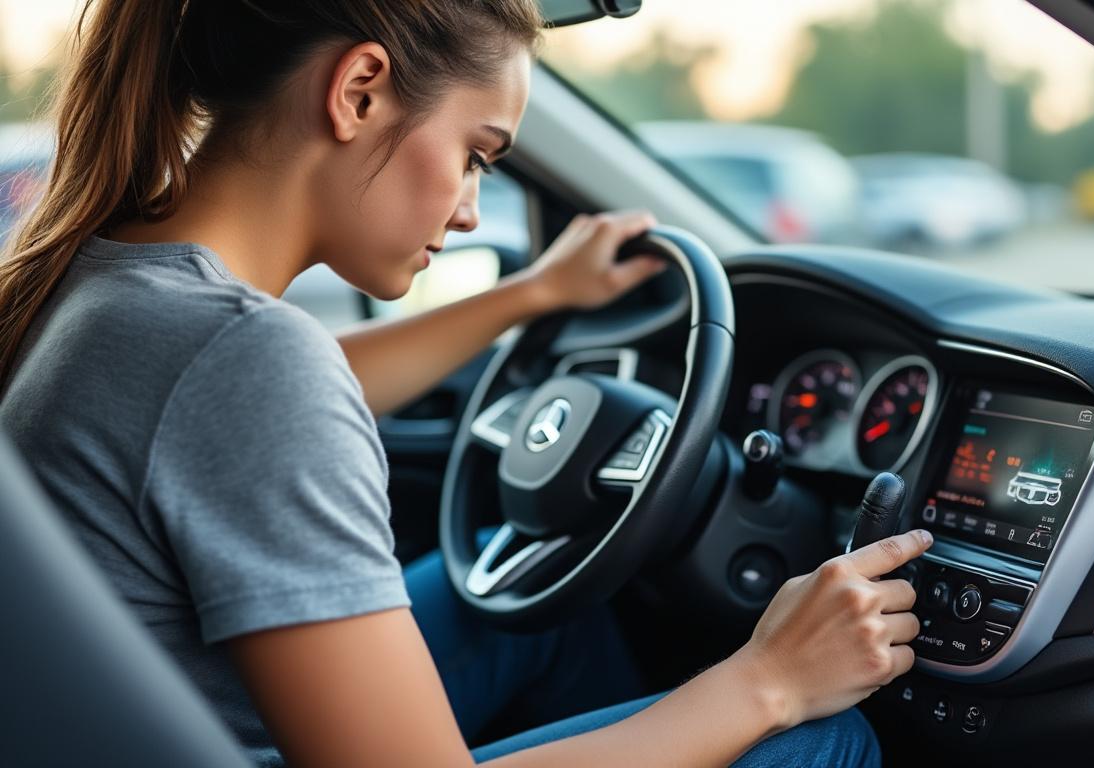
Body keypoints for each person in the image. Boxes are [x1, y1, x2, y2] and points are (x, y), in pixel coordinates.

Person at [0, 1, 930, 766]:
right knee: (823, 739)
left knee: (530, 605)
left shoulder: (102, 285)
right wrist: (770, 679)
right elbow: (260, 394)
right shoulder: (247, 361)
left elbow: (268, 403)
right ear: (359, 91)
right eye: (478, 154)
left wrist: (534, 295)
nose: (473, 205)